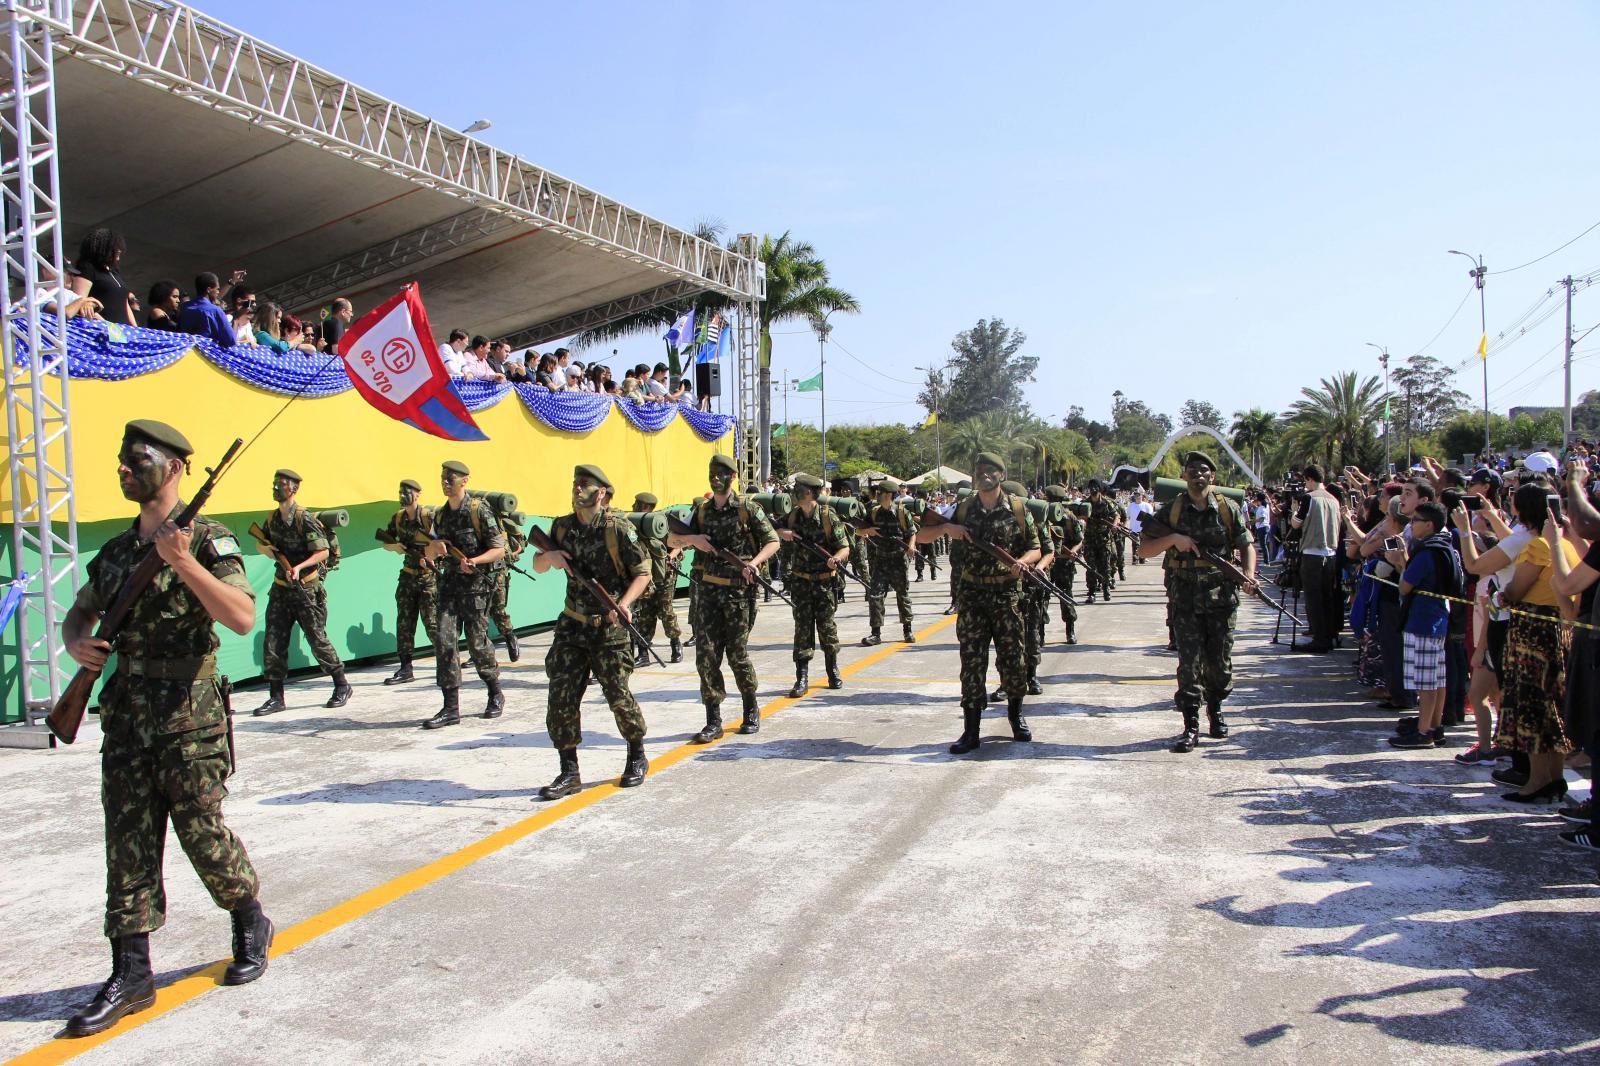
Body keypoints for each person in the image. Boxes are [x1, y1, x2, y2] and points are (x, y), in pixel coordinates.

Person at [60, 420, 272, 1037]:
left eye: (137, 459)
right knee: (126, 838)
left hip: (189, 713)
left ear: (175, 468)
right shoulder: (120, 551)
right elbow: (83, 607)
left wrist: (183, 565)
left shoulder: (209, 539)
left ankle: (248, 916)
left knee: (202, 833)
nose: (124, 468)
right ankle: (131, 972)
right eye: (122, 460)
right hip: (127, 709)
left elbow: (239, 616)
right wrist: (78, 642)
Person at [532, 465, 653, 799]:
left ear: (600, 492)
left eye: (584, 484)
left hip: (608, 628)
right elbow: (538, 564)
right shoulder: (562, 527)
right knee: (561, 697)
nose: (576, 489)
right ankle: (569, 772)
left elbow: (643, 573)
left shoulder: (617, 529)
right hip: (572, 624)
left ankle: (636, 754)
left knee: (617, 694)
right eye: (575, 483)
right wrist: (551, 557)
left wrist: (624, 604)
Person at [916, 452, 1040, 754]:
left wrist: (1023, 562)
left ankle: (1015, 717)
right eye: (980, 470)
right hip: (972, 596)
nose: (984, 474)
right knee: (972, 663)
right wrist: (948, 529)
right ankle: (971, 731)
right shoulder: (964, 508)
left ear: (1001, 474)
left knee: (1013, 659)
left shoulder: (1018, 509)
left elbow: (1035, 547)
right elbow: (921, 536)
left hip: (1007, 595)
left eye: (991, 470)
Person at [1138, 451, 1256, 753]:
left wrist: (1248, 575)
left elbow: (1246, 544)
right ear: (1184, 475)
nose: (1198, 475)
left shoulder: (1227, 509)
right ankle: (1190, 726)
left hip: (1221, 598)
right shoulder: (1172, 511)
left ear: (1212, 477)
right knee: (1189, 664)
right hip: (1186, 597)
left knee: (1219, 663)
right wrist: (1173, 540)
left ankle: (1215, 710)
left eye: (1204, 470)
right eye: (1192, 470)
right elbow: (1144, 550)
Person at [668, 453, 780, 739]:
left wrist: (754, 564)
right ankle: (713, 719)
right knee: (706, 656)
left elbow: (773, 541)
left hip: (737, 593)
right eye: (712, 474)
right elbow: (671, 539)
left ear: (732, 478)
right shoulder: (702, 511)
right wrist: (693, 540)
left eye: (721, 475)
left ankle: (750, 709)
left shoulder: (747, 508)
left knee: (737, 654)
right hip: (706, 592)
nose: (715, 479)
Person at [250, 470, 350, 714]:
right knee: (273, 641)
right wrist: (271, 553)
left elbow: (323, 552)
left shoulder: (305, 518)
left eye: (281, 485)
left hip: (306, 587)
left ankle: (341, 684)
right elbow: (260, 543)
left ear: (293, 489)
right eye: (274, 484)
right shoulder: (272, 518)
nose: (275, 488)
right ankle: (276, 697)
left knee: (317, 639)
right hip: (281, 589)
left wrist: (298, 567)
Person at [422, 460, 506, 728]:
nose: (445, 482)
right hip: (449, 587)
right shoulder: (440, 515)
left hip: (475, 589)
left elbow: (498, 549)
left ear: (464, 481)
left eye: (451, 478)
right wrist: (433, 550)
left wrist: (475, 561)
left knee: (477, 644)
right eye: (443, 477)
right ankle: (450, 708)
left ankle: (495, 692)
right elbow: (429, 552)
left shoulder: (478, 510)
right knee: (445, 643)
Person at [1384, 502, 1463, 749]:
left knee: (1426, 682)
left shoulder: (1427, 551)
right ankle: (1434, 725)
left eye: (1416, 520)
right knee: (1437, 679)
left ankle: (1423, 731)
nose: (1411, 524)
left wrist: (1400, 561)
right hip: (1438, 619)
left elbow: (1405, 585)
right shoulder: (1445, 547)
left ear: (1429, 524)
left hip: (1422, 620)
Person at [777, 473, 850, 698]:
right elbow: (771, 530)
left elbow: (844, 547)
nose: (793, 493)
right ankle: (802, 678)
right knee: (802, 631)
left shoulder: (829, 517)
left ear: (807, 492)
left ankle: (832, 671)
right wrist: (784, 533)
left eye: (797, 489)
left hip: (825, 583)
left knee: (827, 628)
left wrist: (836, 559)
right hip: (801, 582)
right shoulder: (792, 517)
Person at [378, 479, 440, 686]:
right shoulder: (397, 518)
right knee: (404, 623)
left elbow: (443, 544)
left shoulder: (428, 516)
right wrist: (396, 547)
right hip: (407, 576)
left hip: (427, 577)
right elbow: (385, 542)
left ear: (418, 494)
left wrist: (431, 558)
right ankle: (405, 667)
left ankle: (446, 662)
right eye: (401, 491)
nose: (403, 495)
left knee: (432, 623)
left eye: (408, 492)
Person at [994, 479, 1052, 698]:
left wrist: (1037, 567)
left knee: (1031, 634)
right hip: (1006, 587)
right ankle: (1004, 682)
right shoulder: (996, 522)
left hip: (1030, 586)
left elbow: (1047, 550)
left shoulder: (1033, 520)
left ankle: (1031, 676)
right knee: (1005, 639)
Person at [1292, 465, 1344, 653]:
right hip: (1331, 553)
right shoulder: (1334, 499)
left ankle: (1319, 639)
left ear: (1309, 479)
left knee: (1313, 598)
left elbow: (1296, 524)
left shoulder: (1309, 498)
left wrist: (1293, 510)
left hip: (1312, 552)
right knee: (1327, 597)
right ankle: (1328, 634)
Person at [858, 480, 916, 647]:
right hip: (881, 559)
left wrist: (911, 546)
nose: (877, 496)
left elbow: (912, 532)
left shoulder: (902, 512)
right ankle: (875, 633)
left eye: (880, 493)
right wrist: (867, 531)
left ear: (889, 495)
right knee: (875, 595)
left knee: (902, 595)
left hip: (899, 559)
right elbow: (859, 530)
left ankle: (907, 630)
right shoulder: (873, 512)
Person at [630, 492, 684, 665]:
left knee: (665, 610)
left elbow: (679, 543)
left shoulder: (659, 524)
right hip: (646, 575)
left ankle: (676, 644)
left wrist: (670, 556)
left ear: (645, 507)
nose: (633, 506)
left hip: (665, 574)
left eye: (637, 504)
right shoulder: (635, 523)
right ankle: (643, 653)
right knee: (645, 613)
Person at [68, 227, 135, 325]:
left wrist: (135, 328)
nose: (119, 249)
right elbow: (79, 301)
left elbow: (124, 303)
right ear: (103, 247)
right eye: (115, 246)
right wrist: (106, 325)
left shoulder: (115, 271)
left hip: (123, 331)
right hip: (102, 329)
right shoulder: (87, 267)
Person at [1045, 485, 1081, 644]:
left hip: (1064, 563)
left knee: (1066, 596)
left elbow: (1079, 539)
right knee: (1042, 598)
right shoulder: (1042, 515)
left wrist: (1073, 551)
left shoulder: (1069, 517)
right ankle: (1039, 633)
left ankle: (1070, 630)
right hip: (1046, 564)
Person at [176, 272, 237, 348]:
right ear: (208, 290)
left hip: (185, 352)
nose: (218, 292)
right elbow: (231, 340)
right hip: (206, 355)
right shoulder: (215, 311)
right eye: (217, 289)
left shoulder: (185, 307)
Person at [1083, 480, 1120, 601]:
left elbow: (1116, 516)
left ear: (1099, 489)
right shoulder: (1085, 503)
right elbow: (1077, 515)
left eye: (1095, 487)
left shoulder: (1106, 502)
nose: (1093, 490)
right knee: (1091, 567)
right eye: (1091, 487)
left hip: (1104, 540)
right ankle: (1091, 592)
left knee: (1105, 567)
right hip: (1090, 541)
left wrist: (1114, 525)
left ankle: (1106, 588)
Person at [1126, 489, 1154, 564]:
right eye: (1136, 496)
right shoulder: (1131, 506)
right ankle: (1135, 560)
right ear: (1134, 497)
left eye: (1139, 495)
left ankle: (1142, 559)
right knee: (1134, 545)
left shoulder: (1147, 505)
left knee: (1143, 544)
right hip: (1134, 529)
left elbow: (1151, 516)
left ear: (1142, 496)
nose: (1138, 497)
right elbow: (1127, 516)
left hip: (1144, 529)